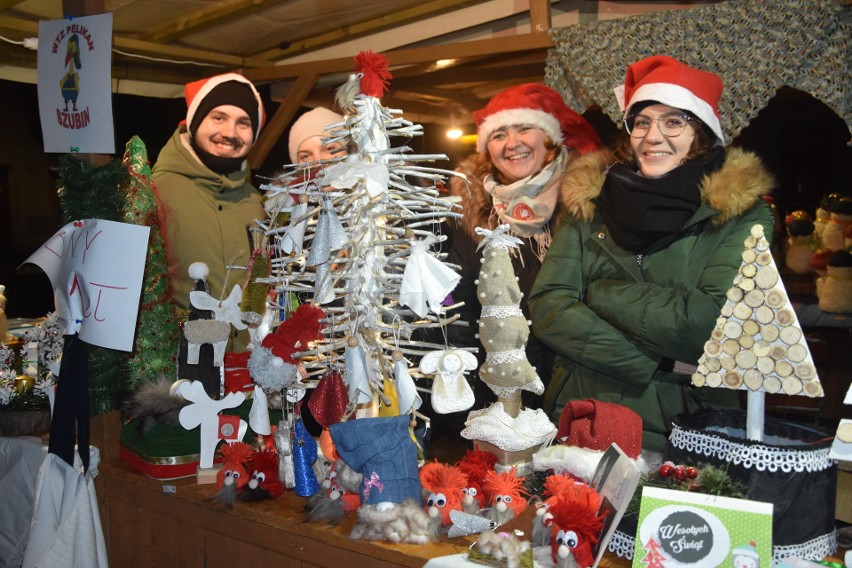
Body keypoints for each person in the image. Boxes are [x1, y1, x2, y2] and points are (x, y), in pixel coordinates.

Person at [528, 55, 776, 453]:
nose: (653, 136)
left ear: (702, 133)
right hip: (582, 413)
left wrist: (600, 293)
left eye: (674, 122)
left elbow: (713, 323)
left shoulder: (740, 215)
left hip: (685, 421)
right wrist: (653, 363)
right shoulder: (589, 202)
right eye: (641, 122)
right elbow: (547, 306)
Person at [445, 83, 601, 409]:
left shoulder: (587, 202)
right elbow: (462, 306)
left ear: (549, 139)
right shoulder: (471, 212)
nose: (512, 143)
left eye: (525, 129)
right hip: (503, 389)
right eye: (499, 135)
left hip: (580, 381)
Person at [153, 72, 266, 315]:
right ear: (195, 122)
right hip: (178, 350)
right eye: (218, 117)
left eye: (243, 122)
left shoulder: (257, 203)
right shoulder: (157, 191)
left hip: (249, 350)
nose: (230, 133)